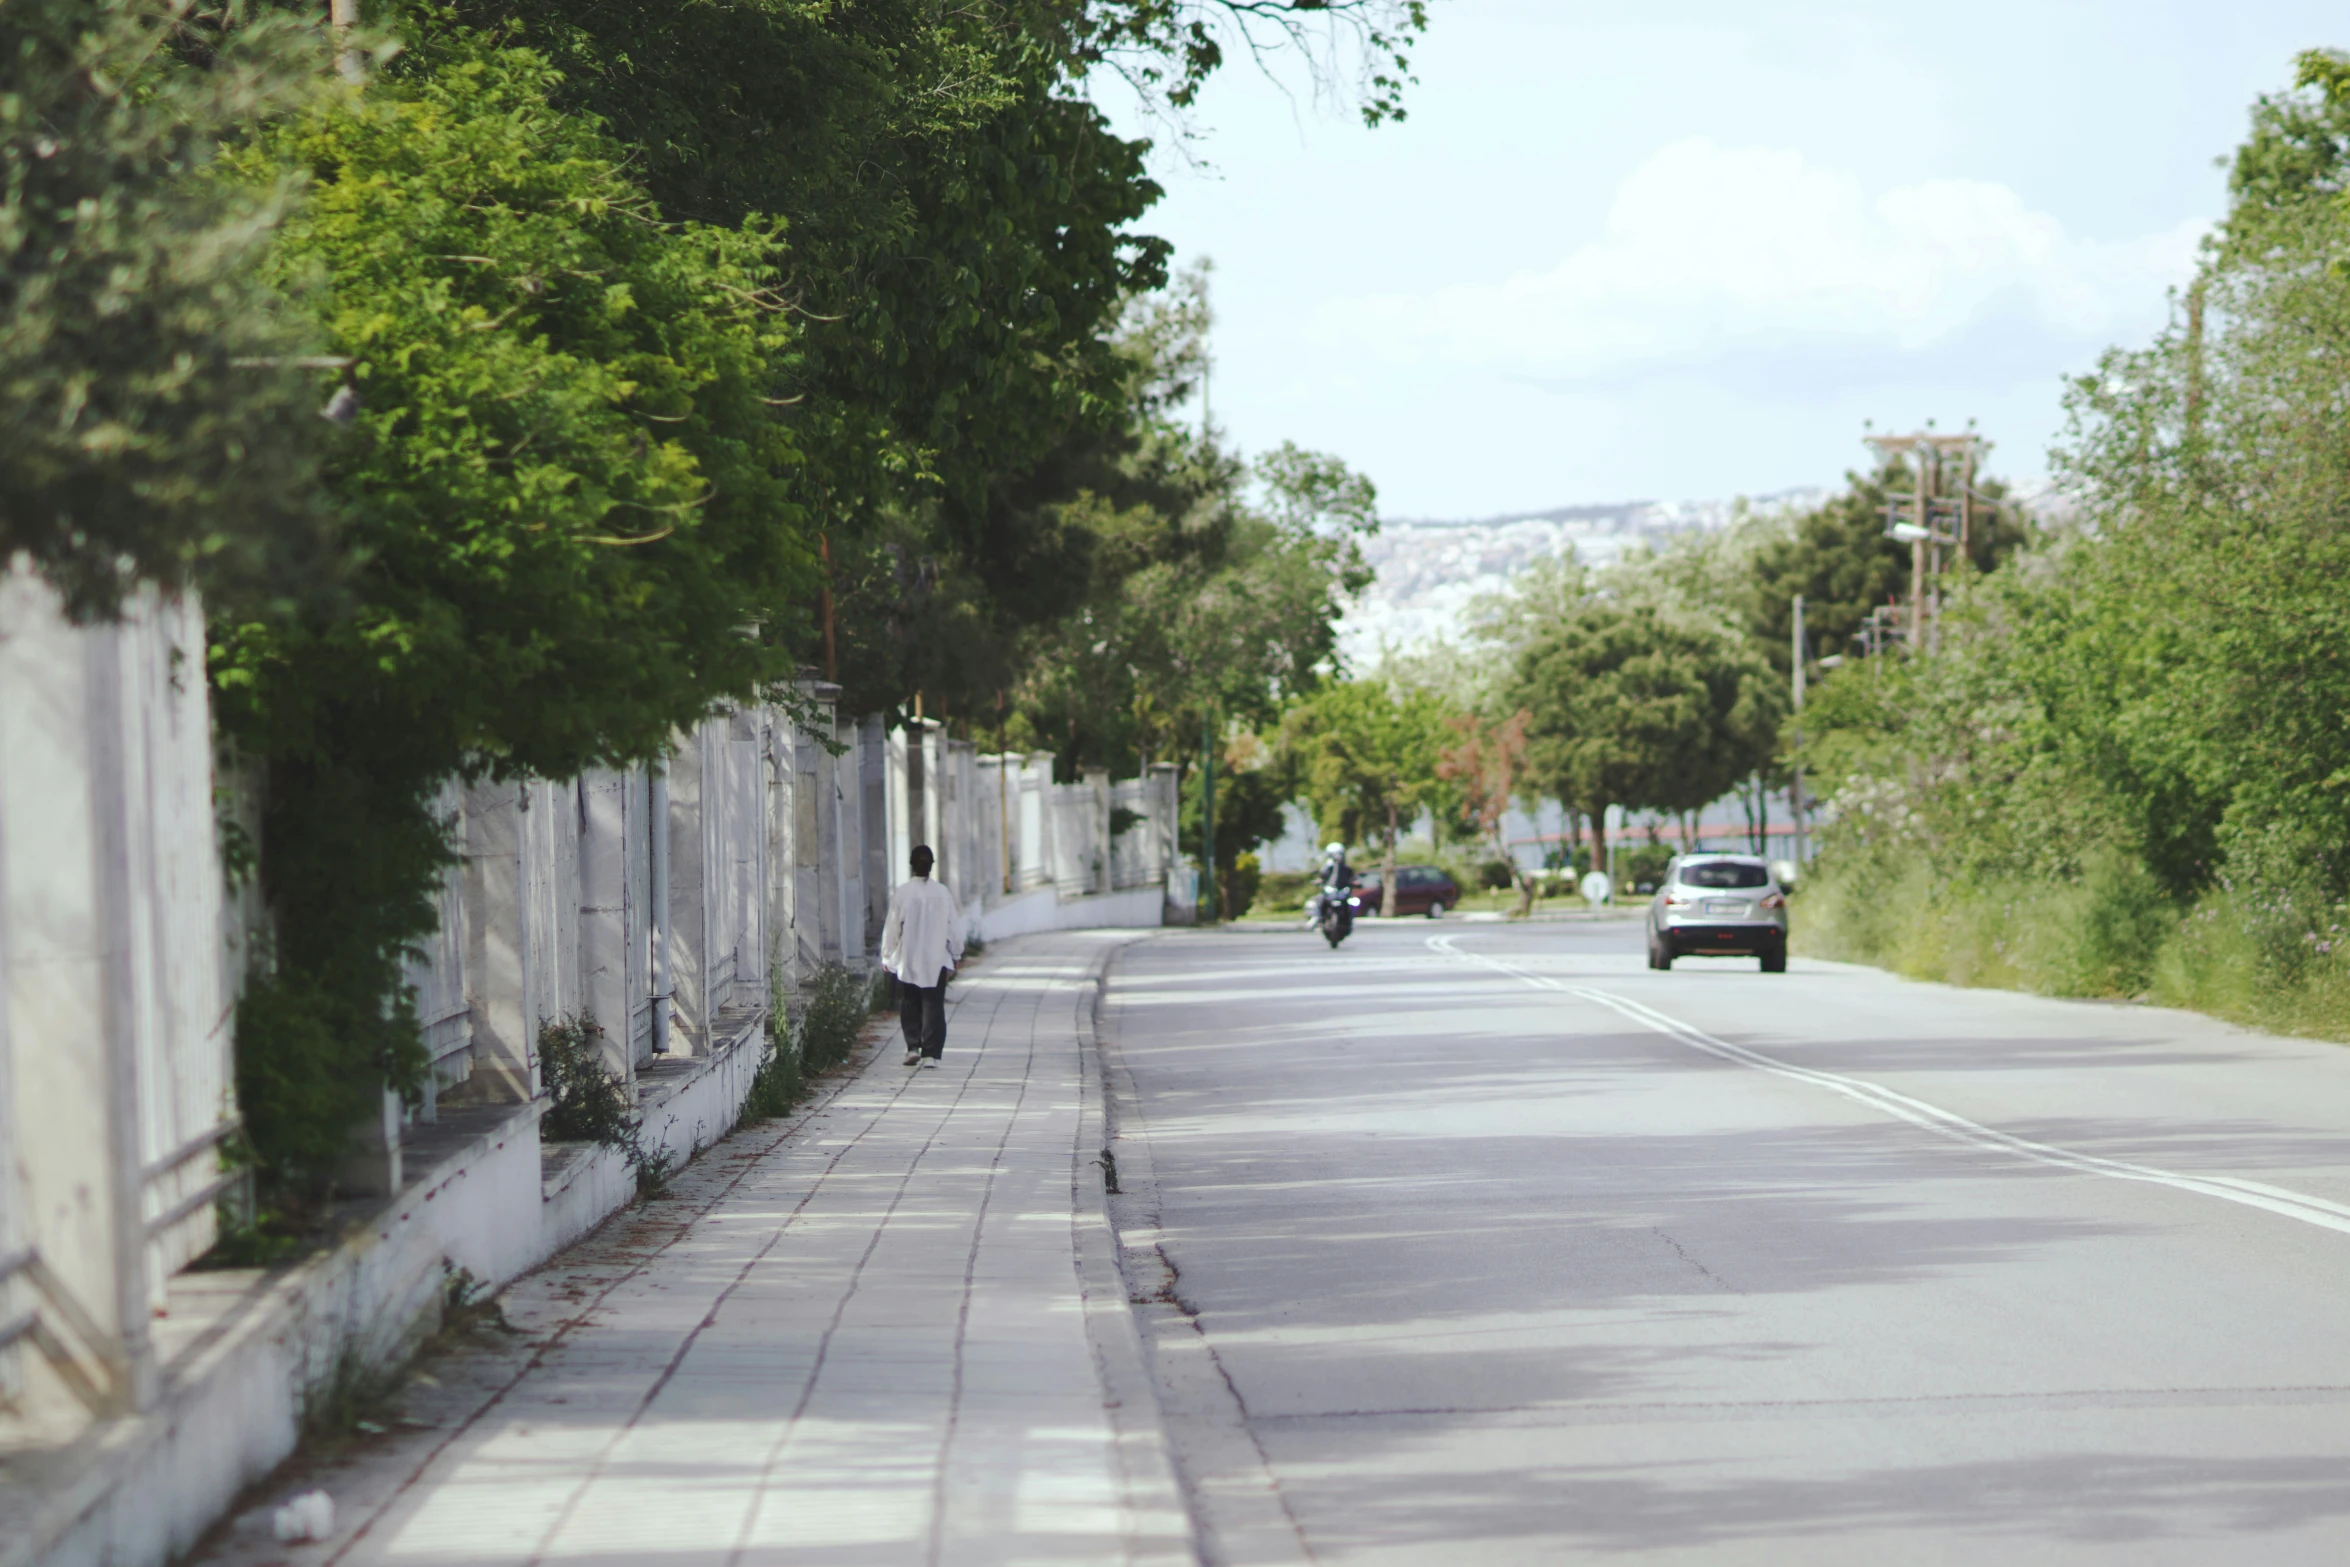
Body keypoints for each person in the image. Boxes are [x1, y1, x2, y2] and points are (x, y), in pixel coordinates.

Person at [881, 843, 964, 1068]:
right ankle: (930, 1054)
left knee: (910, 1001)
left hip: (909, 956)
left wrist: (887, 955)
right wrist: (956, 953)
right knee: (933, 1004)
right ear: (932, 866)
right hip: (936, 958)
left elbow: (893, 926)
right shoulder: (942, 892)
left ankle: (911, 1047)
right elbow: (953, 927)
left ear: (911, 865)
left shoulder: (904, 893)